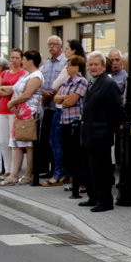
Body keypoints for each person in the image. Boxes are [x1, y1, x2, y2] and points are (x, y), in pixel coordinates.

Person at [78, 52, 122, 212]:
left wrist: (108, 128)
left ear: (103, 66)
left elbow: (117, 109)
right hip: (89, 132)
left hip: (101, 133)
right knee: (90, 168)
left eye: (96, 64)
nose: (93, 67)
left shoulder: (108, 84)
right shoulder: (92, 82)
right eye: (90, 65)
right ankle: (93, 197)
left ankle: (105, 201)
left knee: (102, 169)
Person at [1, 51, 44, 186]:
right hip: (20, 112)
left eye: (24, 59)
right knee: (16, 143)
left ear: (31, 61)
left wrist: (12, 102)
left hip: (30, 113)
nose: (22, 62)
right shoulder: (26, 75)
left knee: (28, 144)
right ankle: (13, 174)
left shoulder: (36, 76)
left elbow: (27, 94)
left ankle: (28, 174)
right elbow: (16, 90)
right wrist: (12, 101)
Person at [53, 55, 88, 199]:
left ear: (77, 67)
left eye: (69, 65)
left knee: (77, 154)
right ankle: (74, 180)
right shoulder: (67, 81)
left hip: (75, 122)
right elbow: (56, 98)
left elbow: (71, 101)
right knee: (68, 152)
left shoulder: (81, 81)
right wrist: (63, 99)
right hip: (64, 120)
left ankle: (82, 183)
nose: (67, 68)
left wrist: (63, 99)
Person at [0, 49, 26, 181]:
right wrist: (6, 90)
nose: (14, 60)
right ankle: (6, 169)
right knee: (3, 141)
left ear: (21, 59)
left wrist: (7, 89)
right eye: (12, 57)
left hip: (14, 110)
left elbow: (17, 89)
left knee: (14, 141)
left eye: (17, 57)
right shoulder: (5, 73)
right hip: (2, 109)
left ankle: (14, 170)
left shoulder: (23, 74)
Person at [38, 35, 67, 179]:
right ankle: (50, 167)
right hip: (47, 106)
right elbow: (41, 82)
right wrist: (43, 92)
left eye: (54, 44)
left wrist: (53, 93)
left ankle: (58, 169)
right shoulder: (46, 63)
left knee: (56, 140)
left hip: (58, 107)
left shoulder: (65, 62)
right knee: (46, 139)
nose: (51, 47)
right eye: (49, 44)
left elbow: (64, 81)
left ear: (60, 46)